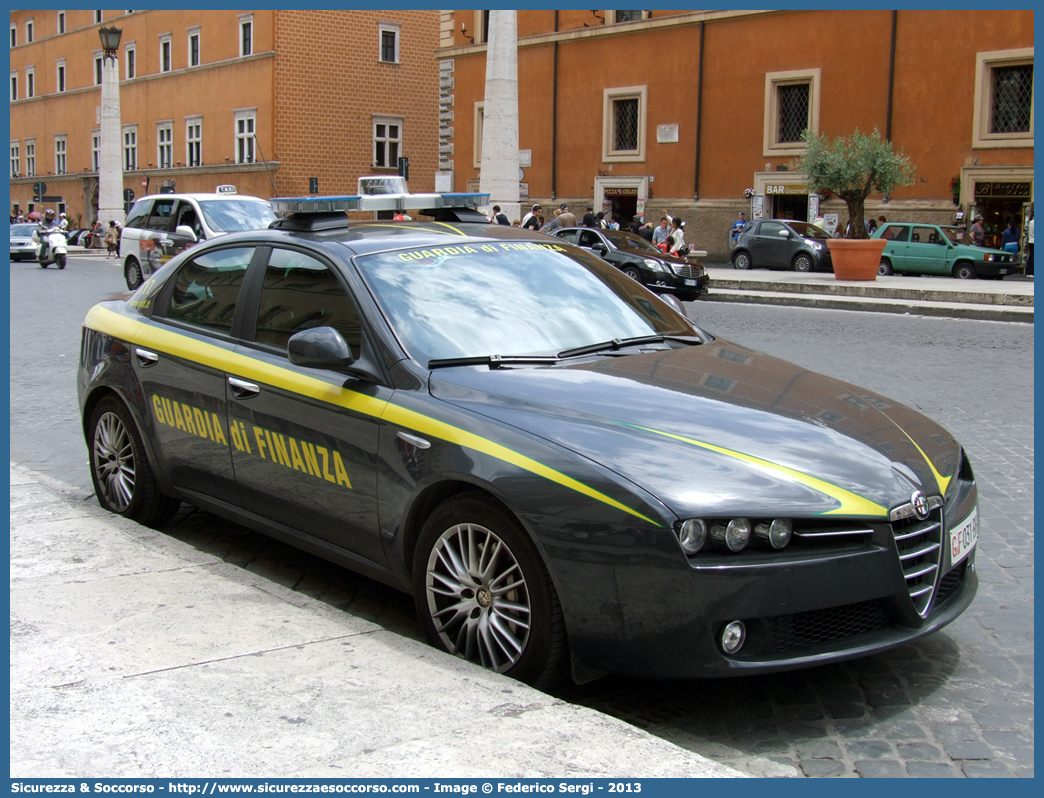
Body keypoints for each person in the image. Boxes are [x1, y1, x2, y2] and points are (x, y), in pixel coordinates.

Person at [1026, 212, 1034, 278]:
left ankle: (1028, 272)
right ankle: (1032, 272)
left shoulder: (1031, 222)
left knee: (1030, 256)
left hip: (1030, 240)